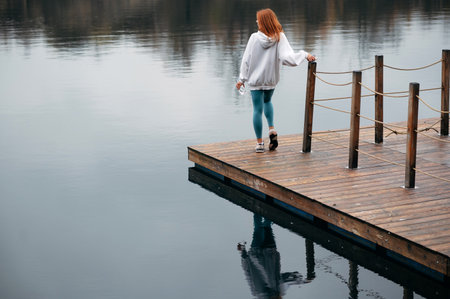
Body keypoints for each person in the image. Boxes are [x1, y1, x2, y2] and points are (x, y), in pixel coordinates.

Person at [236, 8, 316, 153]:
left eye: (257, 20)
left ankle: (260, 144)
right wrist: (304, 54)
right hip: (271, 79)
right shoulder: (280, 37)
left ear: (262, 22)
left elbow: (246, 60)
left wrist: (242, 79)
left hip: (255, 80)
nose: (256, 22)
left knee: (257, 109)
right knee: (267, 101)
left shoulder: (254, 38)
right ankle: (272, 128)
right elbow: (287, 58)